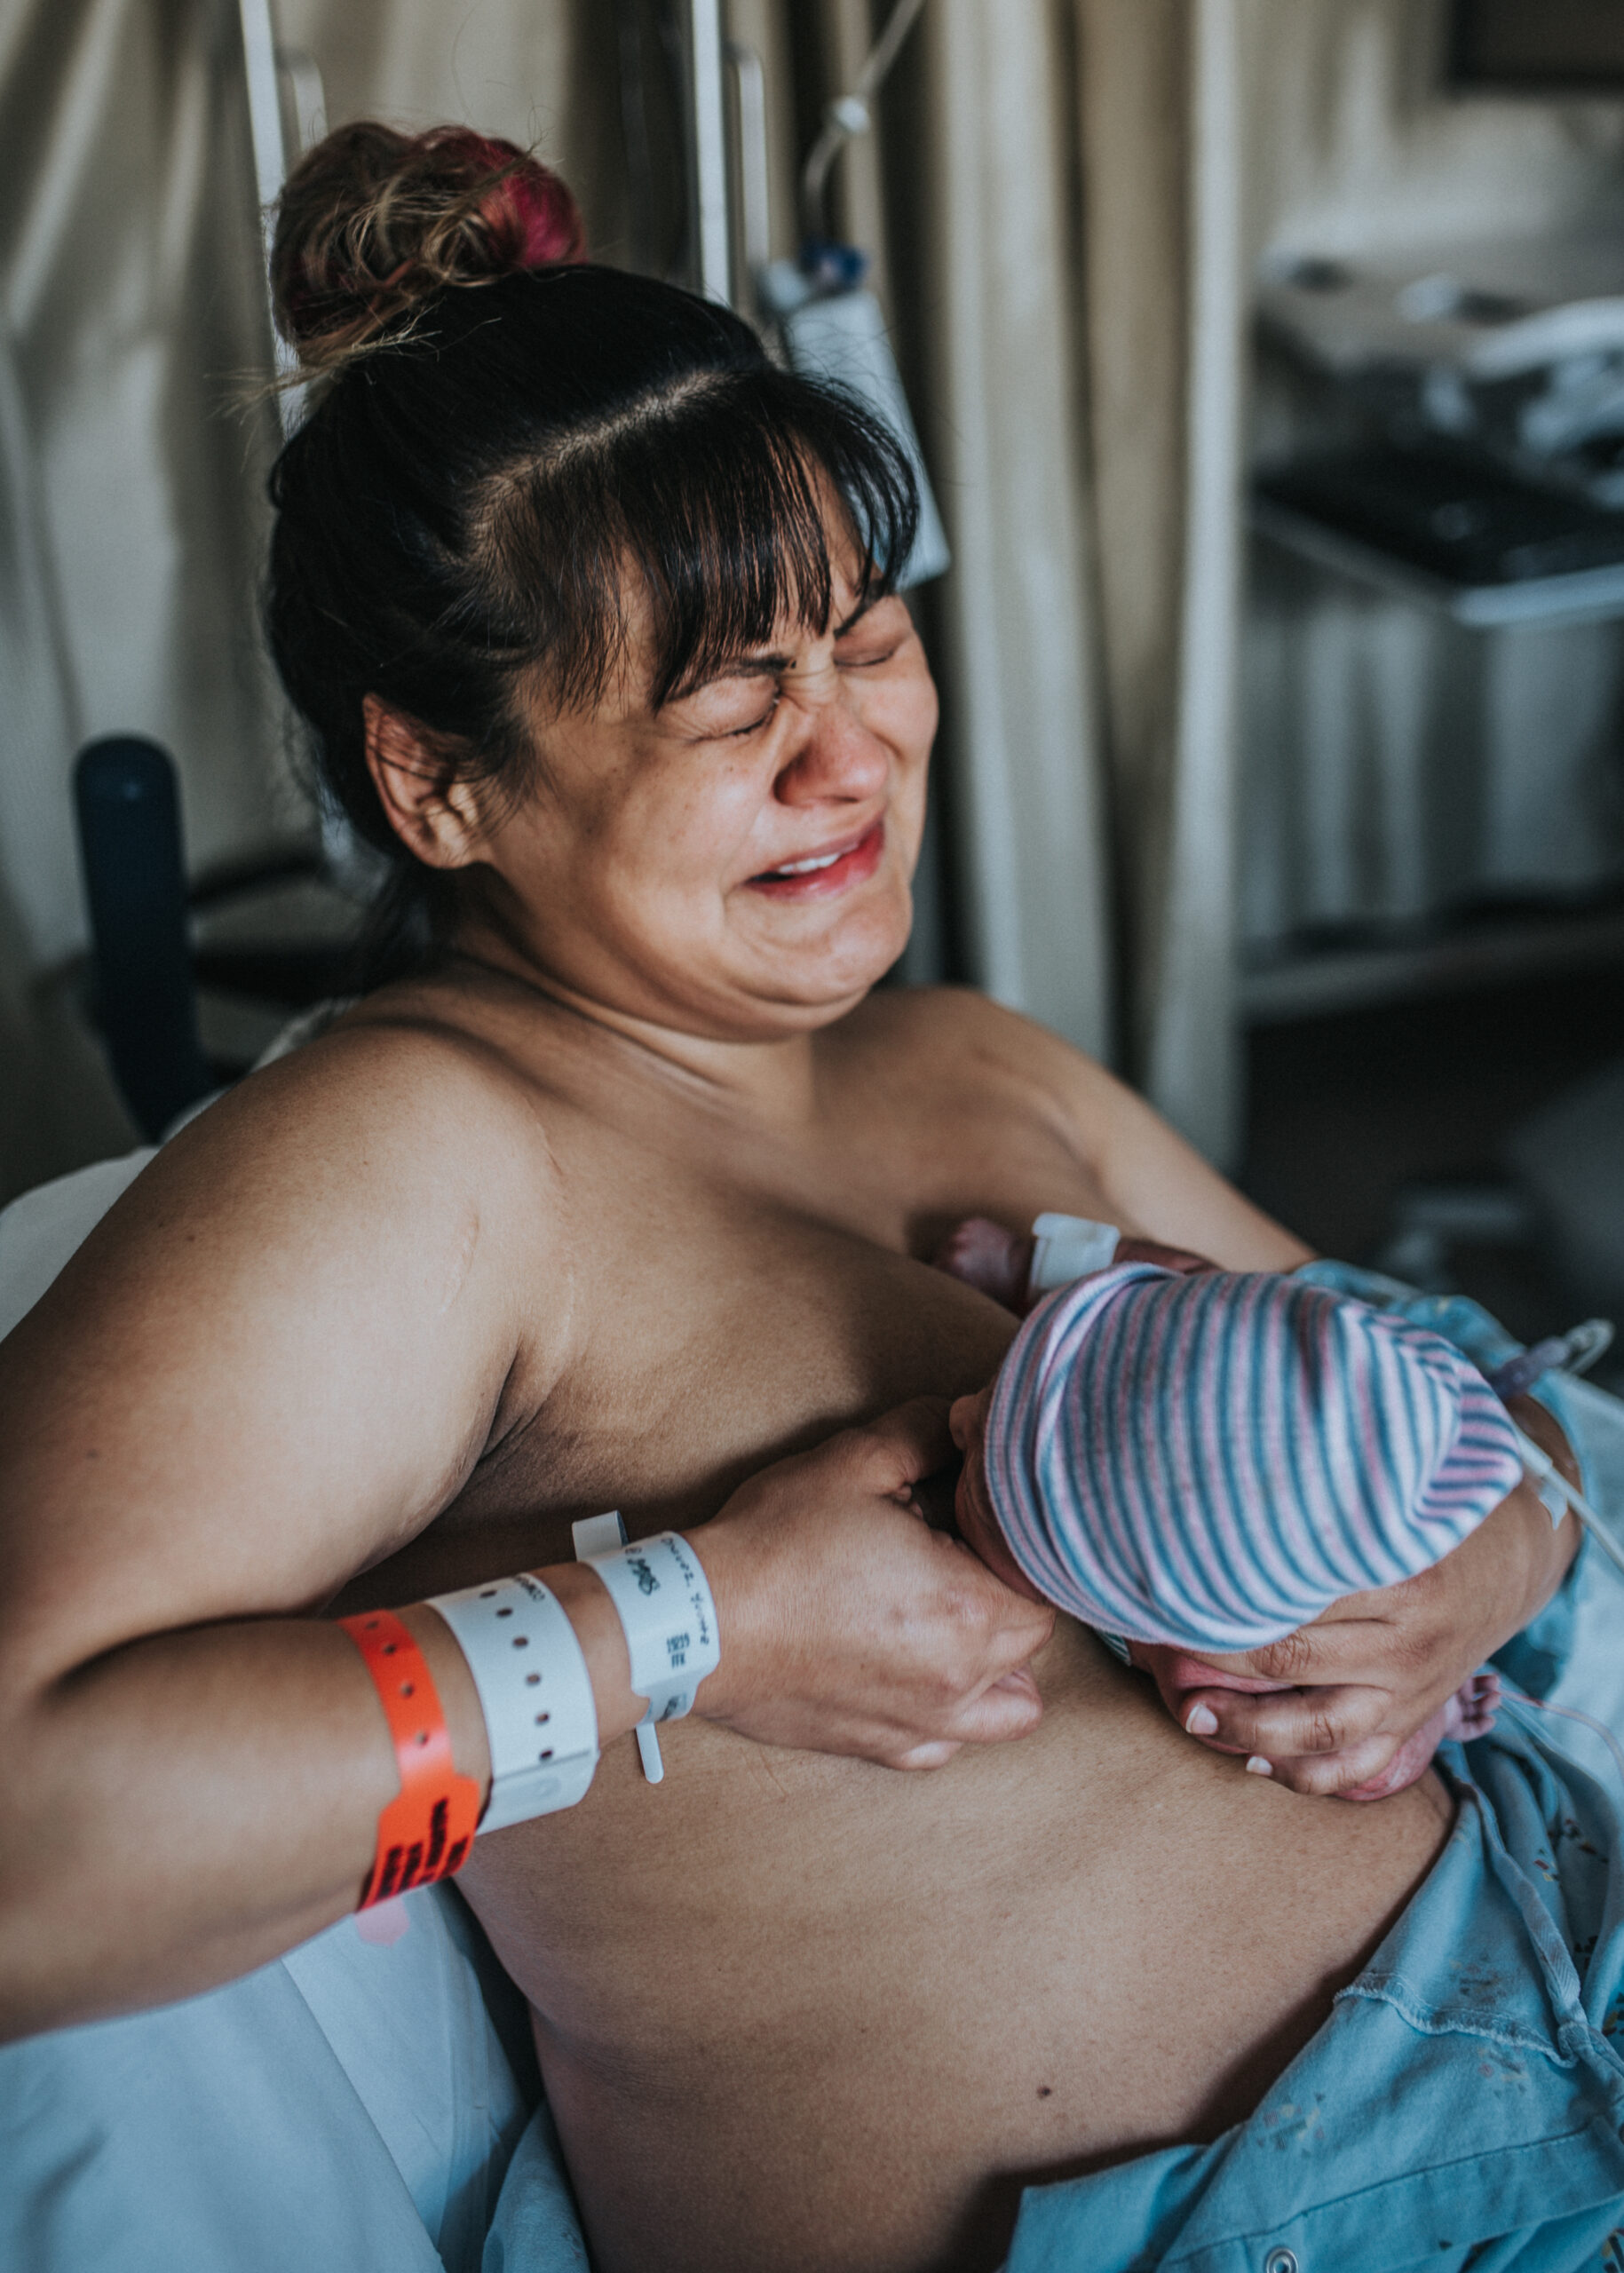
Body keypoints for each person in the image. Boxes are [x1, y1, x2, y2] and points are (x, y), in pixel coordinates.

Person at [0, 123, 1601, 2273]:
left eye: (861, 635)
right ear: (438, 776)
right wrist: (701, 1626)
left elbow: (1448, 1384)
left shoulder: (970, 1064)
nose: (844, 750)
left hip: (1564, 1960)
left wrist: (1506, 1543)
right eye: (723, 688)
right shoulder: (418, 1161)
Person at [946, 1249, 1525, 1799]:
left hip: (1344, 1610)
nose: (959, 1417)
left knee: (1367, 1742)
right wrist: (1013, 1258)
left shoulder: (1209, 1667)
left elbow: (1270, 1731)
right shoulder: (1190, 1332)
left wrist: (1397, 1745)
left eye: (981, 1489)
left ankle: (1437, 1710)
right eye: (999, 1385)